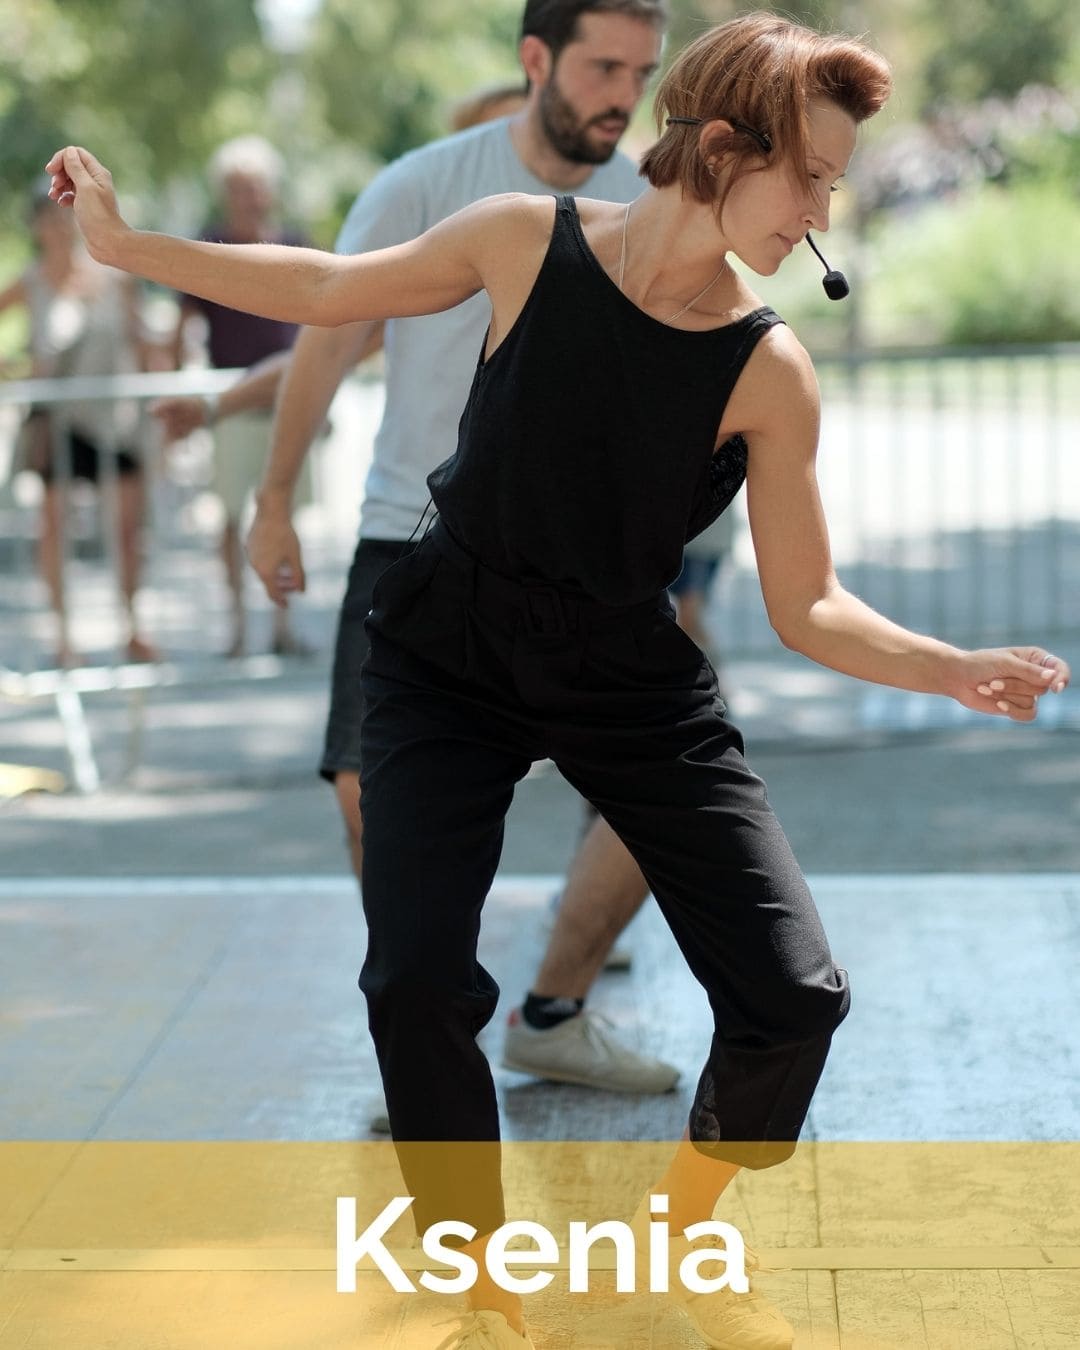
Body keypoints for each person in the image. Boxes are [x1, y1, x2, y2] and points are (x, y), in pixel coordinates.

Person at [49, 14, 1074, 1348]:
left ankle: (688, 1236)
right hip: (445, 650)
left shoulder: (771, 369)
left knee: (792, 993)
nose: (829, 204)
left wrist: (952, 667)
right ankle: (479, 1275)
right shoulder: (526, 239)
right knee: (414, 978)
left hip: (625, 672)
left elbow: (806, 601)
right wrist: (127, 249)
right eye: (812, 173)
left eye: (836, 179)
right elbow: (322, 288)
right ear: (721, 147)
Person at [152, 0, 678, 1112]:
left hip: (586, 566)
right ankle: (432, 1040)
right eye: (601, 64)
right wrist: (275, 499)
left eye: (642, 68)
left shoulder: (649, 201)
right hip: (410, 541)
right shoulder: (421, 185)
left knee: (672, 796)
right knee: (366, 798)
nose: (622, 91)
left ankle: (555, 1015)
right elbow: (328, 337)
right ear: (537, 60)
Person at [168, 135, 313, 659]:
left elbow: (320, 322)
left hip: (289, 401)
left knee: (286, 513)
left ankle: (281, 626)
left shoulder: (294, 240)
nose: (250, 198)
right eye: (239, 189)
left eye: (256, 187)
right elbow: (182, 324)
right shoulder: (210, 245)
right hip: (231, 403)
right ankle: (235, 626)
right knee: (230, 517)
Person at [0, 191, 157, 668]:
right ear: (36, 227)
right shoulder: (31, 281)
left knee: (129, 529)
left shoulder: (115, 277)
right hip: (58, 424)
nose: (60, 227)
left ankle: (132, 628)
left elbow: (143, 341)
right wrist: (17, 372)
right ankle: (63, 637)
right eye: (50, 219)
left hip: (116, 421)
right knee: (54, 528)